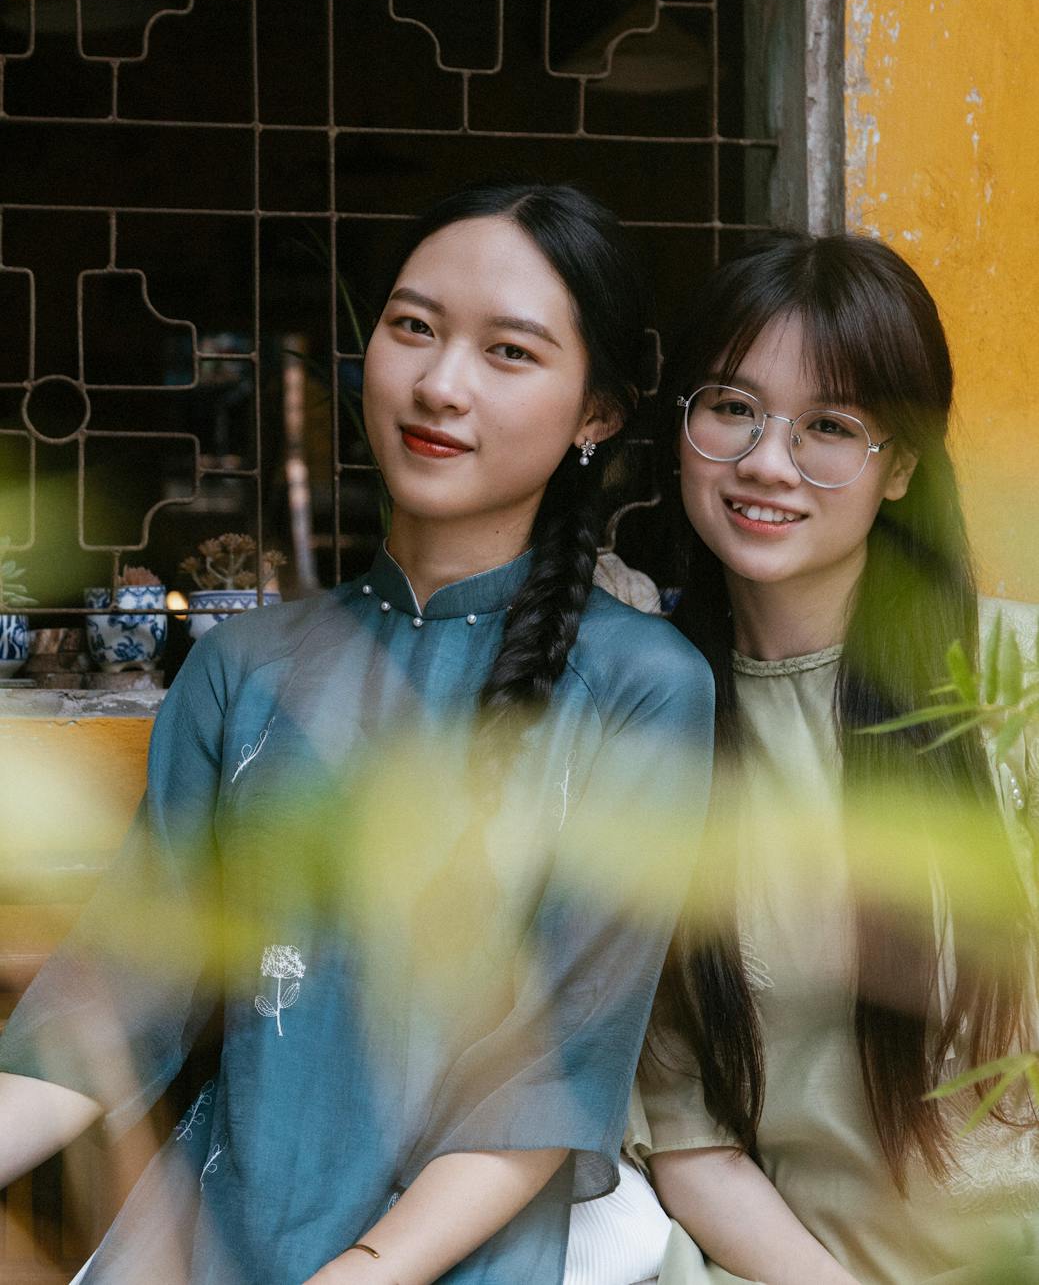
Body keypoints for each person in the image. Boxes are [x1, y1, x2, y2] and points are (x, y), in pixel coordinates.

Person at [0, 182, 714, 1284]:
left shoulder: (642, 688)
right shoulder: (244, 667)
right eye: (412, 327)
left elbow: (556, 1072)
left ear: (597, 413)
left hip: (453, 1260)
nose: (439, 383)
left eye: (509, 353)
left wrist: (366, 1270)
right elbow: (127, 987)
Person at [630, 231, 1038, 1284]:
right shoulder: (651, 725)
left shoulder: (1015, 683)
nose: (767, 462)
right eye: (731, 408)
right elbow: (685, 1130)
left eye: (828, 426)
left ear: (898, 465)